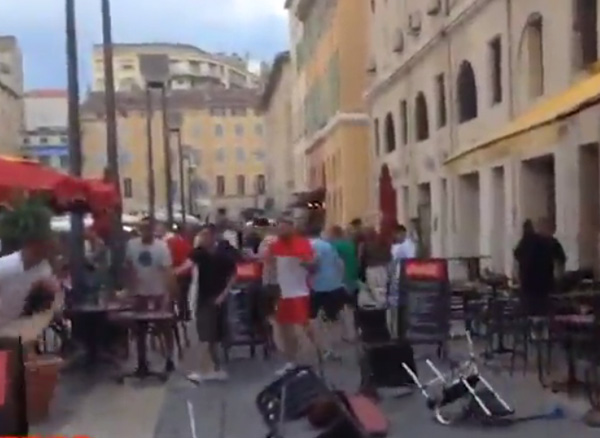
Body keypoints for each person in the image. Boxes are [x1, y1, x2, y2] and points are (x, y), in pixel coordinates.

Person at [177, 224, 236, 382]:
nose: (201, 238)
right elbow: (187, 265)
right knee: (206, 334)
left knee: (210, 335)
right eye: (201, 235)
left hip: (217, 297)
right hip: (203, 297)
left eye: (204, 235)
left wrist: (223, 295)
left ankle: (207, 369)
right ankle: (211, 368)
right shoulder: (199, 253)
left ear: (213, 236)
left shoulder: (224, 253)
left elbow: (232, 274)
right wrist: (172, 272)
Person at [266, 218, 316, 376]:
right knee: (284, 328)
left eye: (284, 228)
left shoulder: (302, 243)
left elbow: (312, 265)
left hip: (299, 292)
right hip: (284, 292)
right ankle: (292, 361)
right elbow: (270, 265)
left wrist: (306, 263)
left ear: (291, 228)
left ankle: (311, 357)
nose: (281, 231)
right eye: (279, 228)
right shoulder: (275, 245)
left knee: (302, 327)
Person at [125, 217, 176, 372]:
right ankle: (142, 360)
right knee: (140, 327)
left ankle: (169, 357)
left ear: (153, 230)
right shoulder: (132, 245)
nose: (145, 231)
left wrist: (168, 294)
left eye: (148, 228)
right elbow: (129, 267)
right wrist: (130, 289)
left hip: (158, 291)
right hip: (141, 292)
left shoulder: (161, 247)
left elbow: (168, 271)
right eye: (142, 228)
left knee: (165, 326)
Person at [514, 218, 566, 316]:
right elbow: (561, 261)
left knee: (529, 317)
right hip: (545, 288)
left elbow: (516, 263)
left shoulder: (524, 243)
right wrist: (558, 279)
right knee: (545, 316)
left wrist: (519, 280)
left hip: (527, 288)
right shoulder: (551, 242)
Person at [308, 226, 345, 359]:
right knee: (332, 319)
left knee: (312, 319)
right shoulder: (329, 246)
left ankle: (323, 347)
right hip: (334, 285)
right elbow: (340, 264)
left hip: (317, 286)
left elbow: (313, 265)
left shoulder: (310, 246)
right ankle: (333, 348)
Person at [327, 225, 359, 340]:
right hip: (353, 277)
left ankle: (348, 334)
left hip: (341, 279)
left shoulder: (334, 246)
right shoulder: (349, 244)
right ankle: (355, 331)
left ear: (334, 234)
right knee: (352, 306)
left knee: (342, 308)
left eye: (329, 233)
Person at [165, 225, 193, 321]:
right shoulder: (186, 242)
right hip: (186, 272)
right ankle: (185, 313)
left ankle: (176, 313)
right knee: (183, 295)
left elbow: (169, 257)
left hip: (177, 272)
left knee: (175, 294)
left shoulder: (170, 242)